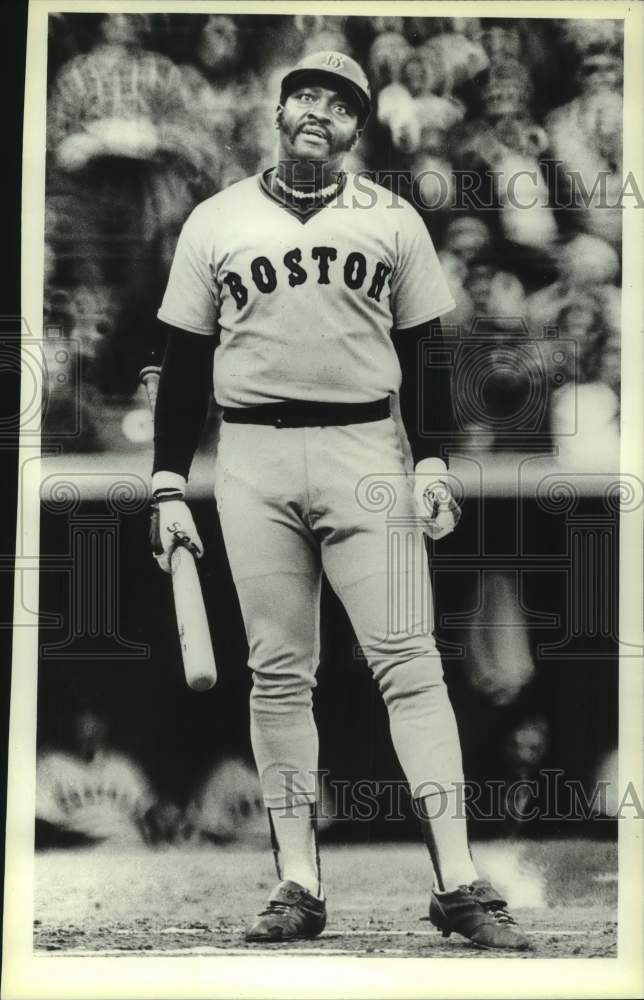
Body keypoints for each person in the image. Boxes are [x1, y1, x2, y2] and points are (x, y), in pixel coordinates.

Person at [149, 49, 531, 951]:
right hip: (251, 455)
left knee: (411, 663)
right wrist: (166, 484)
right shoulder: (216, 218)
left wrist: (431, 463)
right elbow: (184, 365)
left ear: (360, 128)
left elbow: (427, 355)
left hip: (365, 446)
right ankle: (297, 883)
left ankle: (458, 881)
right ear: (280, 112)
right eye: (306, 96)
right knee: (280, 673)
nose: (320, 111)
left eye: (340, 103)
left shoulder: (392, 218)